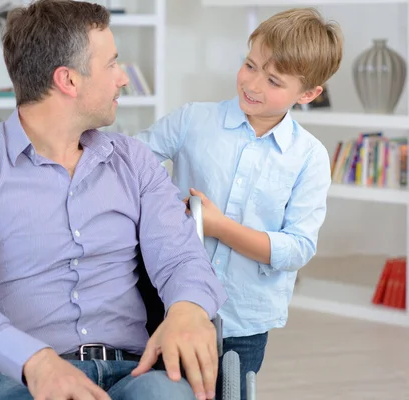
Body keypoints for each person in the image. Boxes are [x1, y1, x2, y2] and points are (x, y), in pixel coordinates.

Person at [0, 1, 227, 400]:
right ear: (68, 80)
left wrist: (188, 306)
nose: (122, 79)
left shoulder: (132, 161)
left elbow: (181, 257)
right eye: (112, 64)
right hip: (17, 380)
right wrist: (35, 360)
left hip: (136, 370)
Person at [134, 7, 343, 400]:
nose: (253, 84)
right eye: (250, 65)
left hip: (244, 319)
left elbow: (297, 247)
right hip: (169, 306)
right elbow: (131, 161)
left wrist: (216, 226)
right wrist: (165, 204)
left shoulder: (309, 158)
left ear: (309, 94)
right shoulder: (193, 121)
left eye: (274, 80)